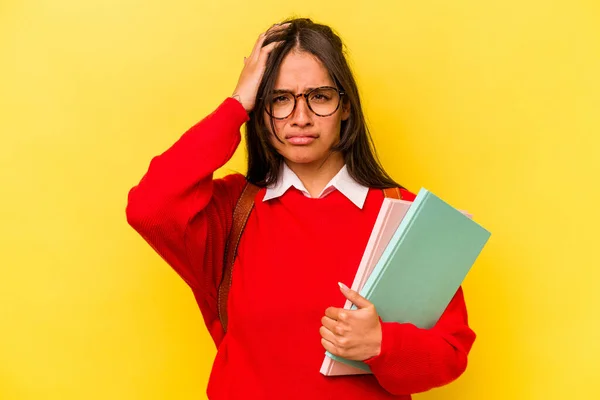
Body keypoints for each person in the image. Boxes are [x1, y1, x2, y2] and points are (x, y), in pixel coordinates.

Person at [126, 18, 476, 400]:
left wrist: (381, 344)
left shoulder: (404, 215)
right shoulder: (230, 212)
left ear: (345, 107)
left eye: (320, 96)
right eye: (279, 99)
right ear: (261, 112)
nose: (300, 117)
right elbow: (148, 207)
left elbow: (450, 352)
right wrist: (236, 104)